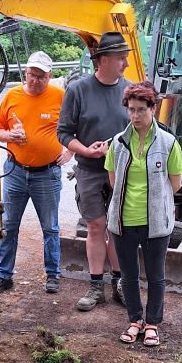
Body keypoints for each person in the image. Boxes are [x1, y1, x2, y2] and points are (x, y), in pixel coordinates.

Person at [105, 81, 182, 347]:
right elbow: (113, 180)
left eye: (141, 109)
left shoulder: (168, 143)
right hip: (123, 221)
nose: (135, 115)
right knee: (128, 275)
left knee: (155, 276)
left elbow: (176, 183)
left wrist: (155, 200)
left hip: (156, 222)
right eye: (131, 109)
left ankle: (152, 324)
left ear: (153, 108)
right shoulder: (118, 143)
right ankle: (134, 320)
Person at [57, 31, 132, 311]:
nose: (126, 63)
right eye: (121, 58)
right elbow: (64, 133)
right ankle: (96, 287)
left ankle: (120, 284)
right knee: (96, 226)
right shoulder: (78, 90)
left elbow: (141, 130)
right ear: (103, 60)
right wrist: (87, 151)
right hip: (89, 170)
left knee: (117, 228)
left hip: (122, 172)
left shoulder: (130, 90)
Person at [0, 51, 70, 296]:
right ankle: (4, 275)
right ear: (25, 73)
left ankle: (53, 274)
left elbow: (75, 127)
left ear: (49, 76)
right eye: (32, 75)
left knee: (50, 227)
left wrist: (70, 152)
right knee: (9, 225)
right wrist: (9, 136)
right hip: (15, 171)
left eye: (41, 76)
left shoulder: (59, 96)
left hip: (47, 173)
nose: (35, 80)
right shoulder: (12, 96)